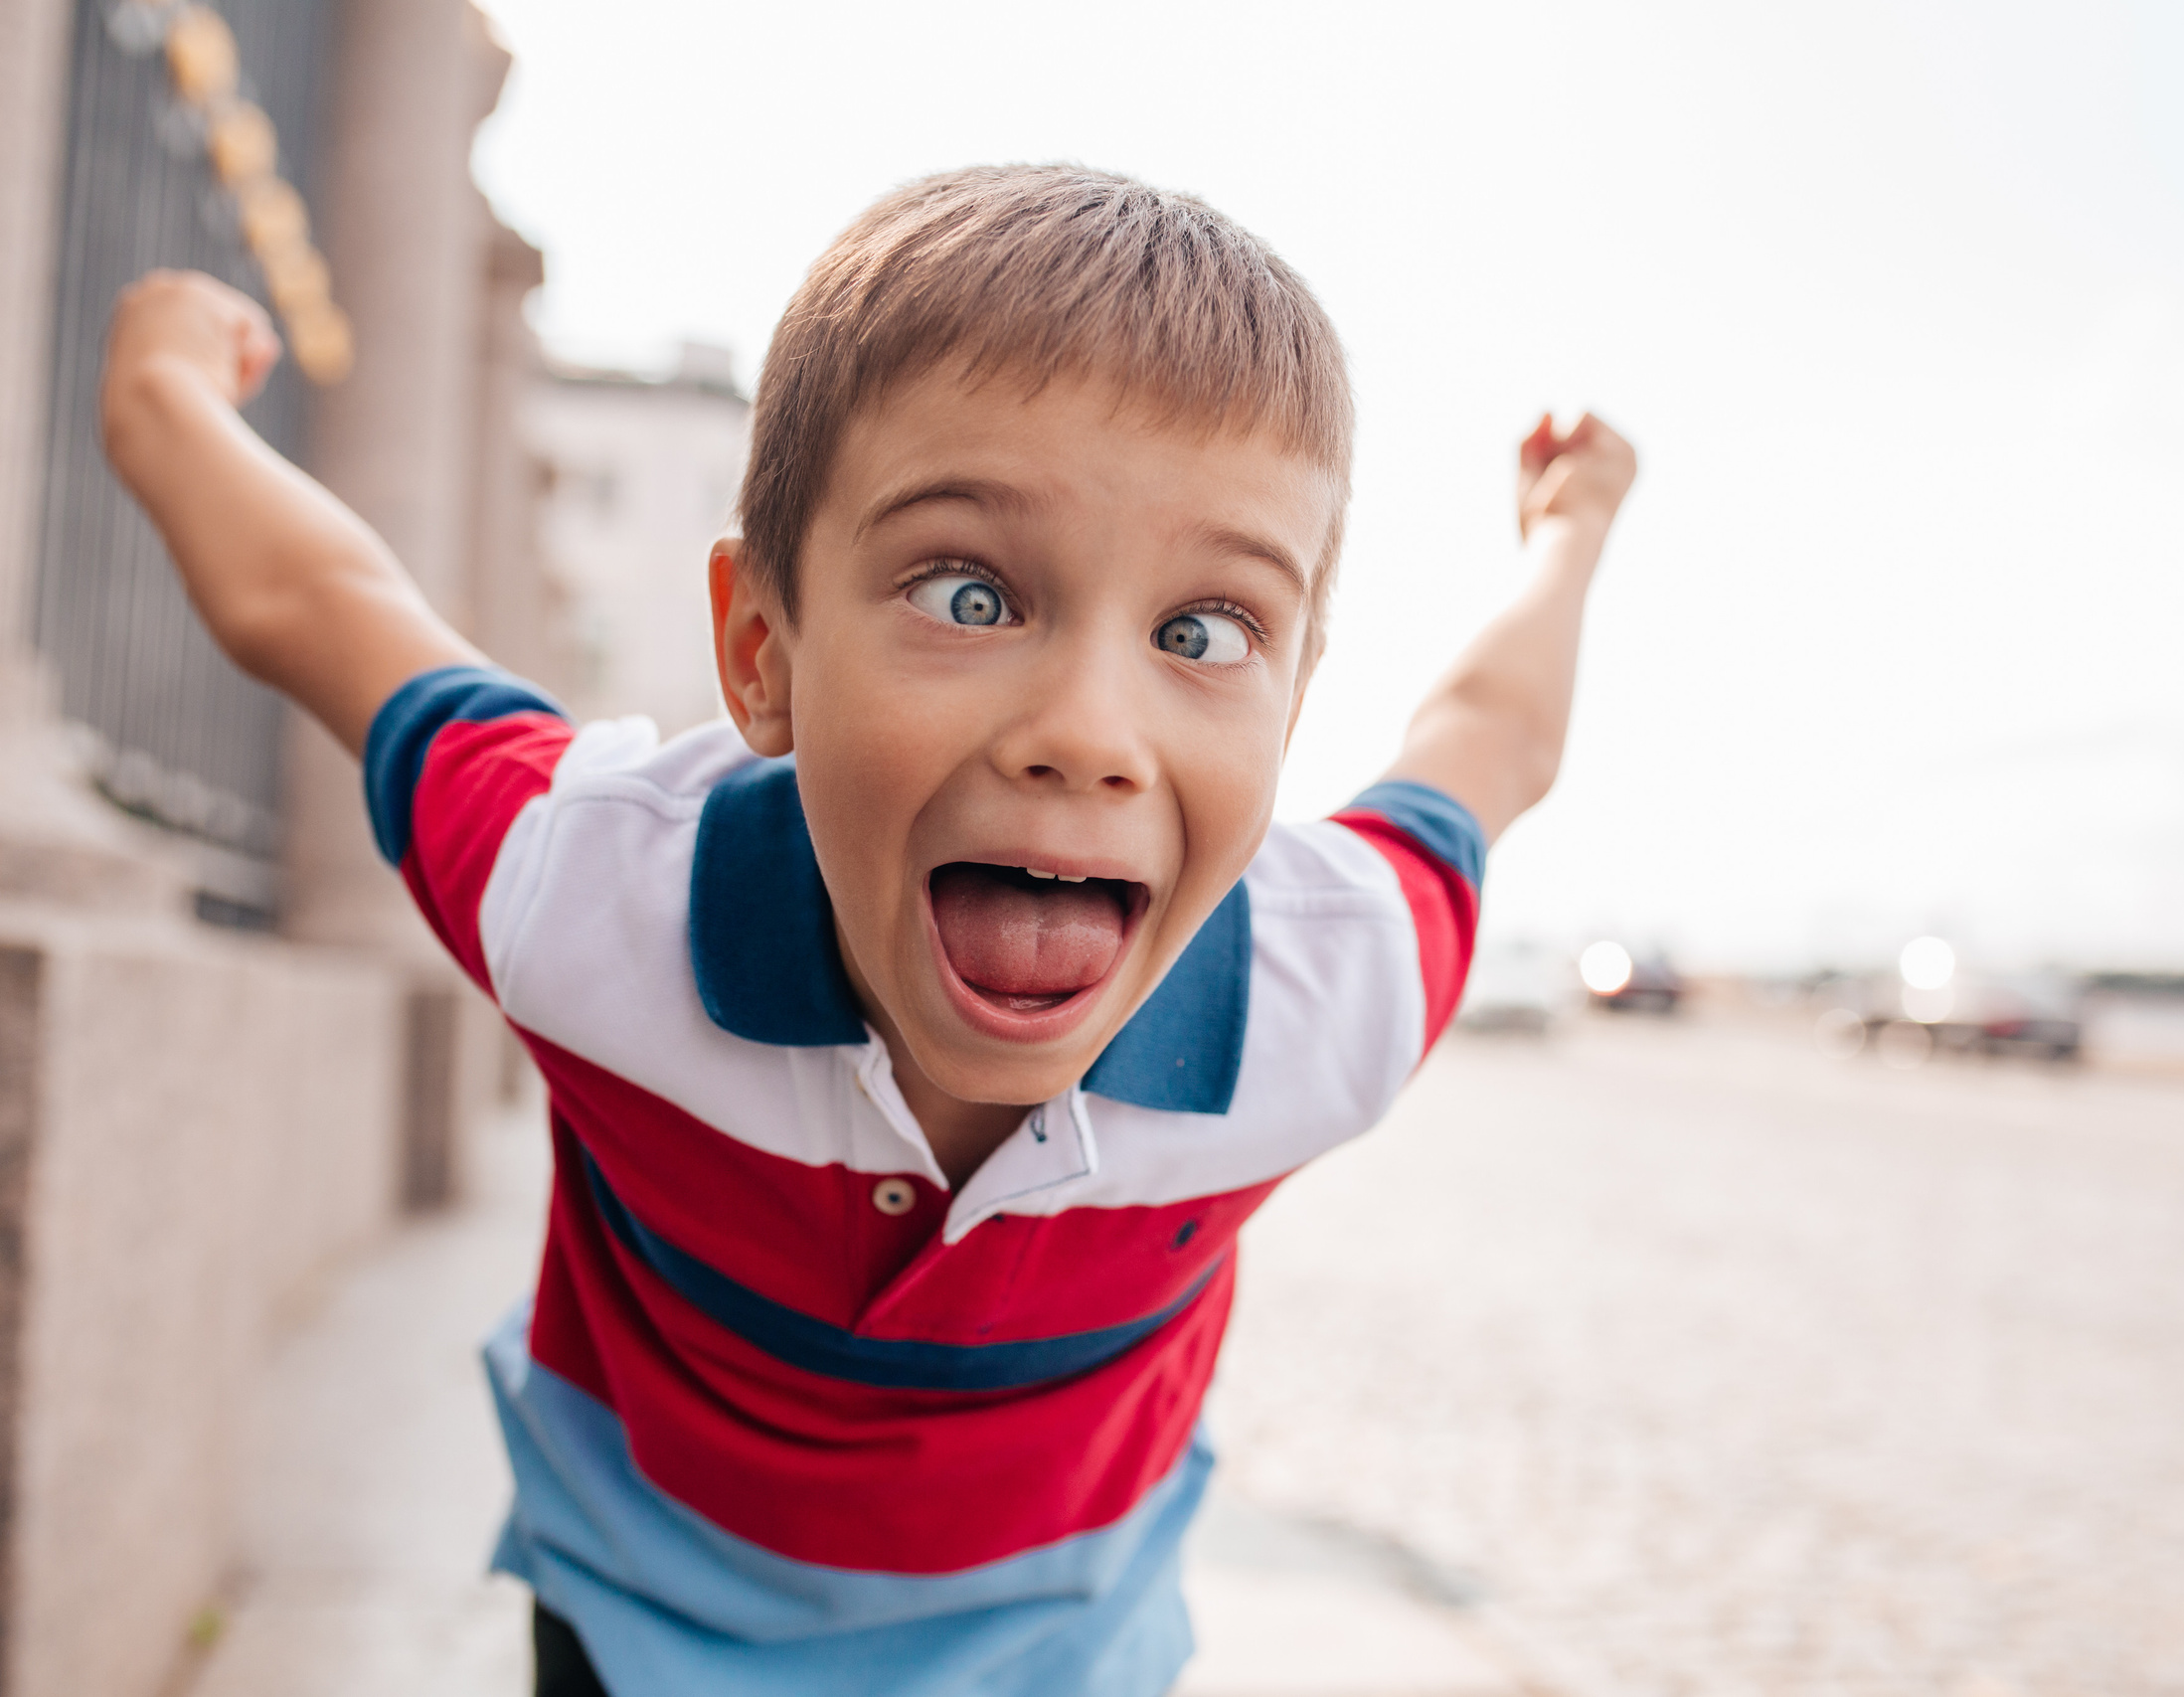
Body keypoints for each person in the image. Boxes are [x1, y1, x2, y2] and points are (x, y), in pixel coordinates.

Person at [99, 163, 1635, 1696]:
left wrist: (1569, 527)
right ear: (763, 654)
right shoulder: (598, 892)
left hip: (1065, 1653)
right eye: (969, 596)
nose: (1088, 732)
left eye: (1202, 631)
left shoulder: (1328, 989)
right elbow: (324, 608)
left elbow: (1487, 742)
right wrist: (164, 391)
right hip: (639, 1623)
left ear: (1295, 700)